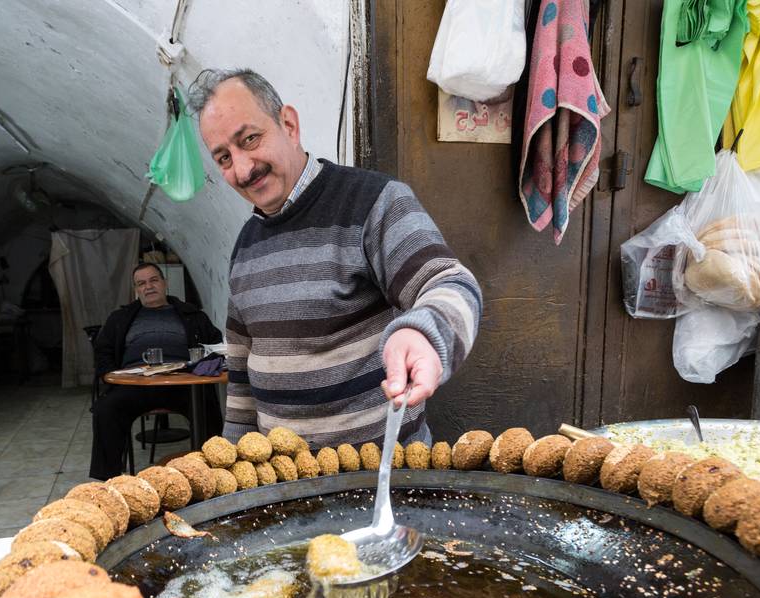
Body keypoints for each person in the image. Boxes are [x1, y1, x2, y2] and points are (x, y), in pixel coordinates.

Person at [189, 68, 482, 447]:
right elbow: (242, 375)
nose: (243, 168)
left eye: (250, 139)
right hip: (286, 489)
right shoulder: (246, 246)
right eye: (224, 158)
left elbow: (449, 282)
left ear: (289, 125)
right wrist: (234, 462)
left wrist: (424, 331)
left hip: (384, 480)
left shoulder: (374, 202)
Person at [89, 262, 222, 479]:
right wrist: (108, 373)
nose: (148, 287)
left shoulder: (192, 315)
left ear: (164, 283)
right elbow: (102, 350)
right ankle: (109, 479)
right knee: (106, 410)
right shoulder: (120, 318)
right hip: (136, 385)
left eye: (153, 280)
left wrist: (204, 366)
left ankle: (213, 471)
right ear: (136, 290)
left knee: (206, 404)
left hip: (183, 382)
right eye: (141, 283)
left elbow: (215, 345)